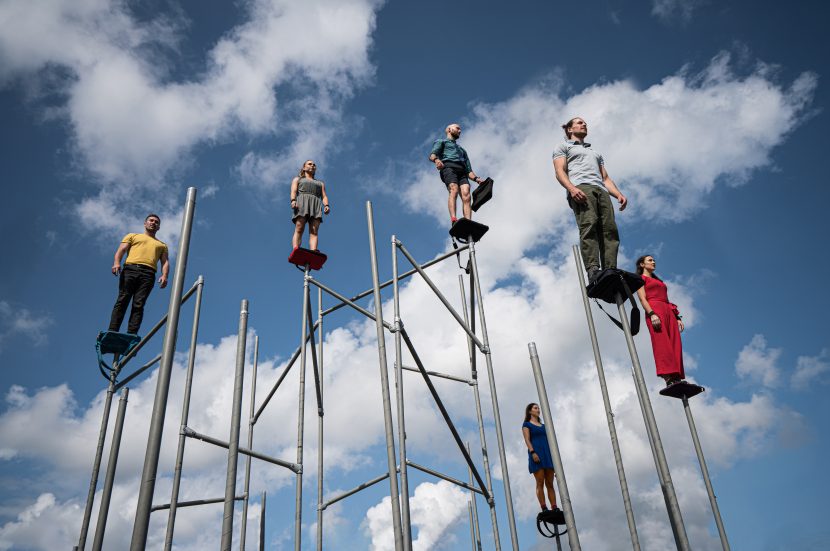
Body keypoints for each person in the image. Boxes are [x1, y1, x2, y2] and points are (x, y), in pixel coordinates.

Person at [553, 117, 627, 282]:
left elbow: (605, 178)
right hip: (582, 187)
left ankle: (610, 268)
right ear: (570, 129)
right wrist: (572, 189)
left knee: (610, 230)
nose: (584, 124)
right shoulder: (563, 146)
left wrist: (618, 194)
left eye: (585, 123)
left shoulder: (595, 153)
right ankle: (593, 269)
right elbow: (559, 171)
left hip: (601, 190)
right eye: (579, 122)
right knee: (589, 225)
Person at [108, 214, 169, 335]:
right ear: (145, 223)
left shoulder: (162, 245)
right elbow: (121, 250)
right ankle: (113, 330)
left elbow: (165, 261)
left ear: (158, 227)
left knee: (139, 304)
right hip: (130, 269)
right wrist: (116, 263)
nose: (153, 223)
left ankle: (131, 333)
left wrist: (165, 276)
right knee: (123, 299)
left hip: (148, 273)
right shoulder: (133, 236)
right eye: (151, 220)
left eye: (156, 222)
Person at [635, 255, 686, 386]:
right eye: (650, 260)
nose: (653, 262)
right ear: (642, 264)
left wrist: (677, 317)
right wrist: (652, 314)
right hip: (654, 310)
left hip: (668, 311)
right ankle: (668, 376)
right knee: (661, 342)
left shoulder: (660, 282)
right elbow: (642, 299)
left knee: (675, 342)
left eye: (654, 260)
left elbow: (667, 300)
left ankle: (677, 376)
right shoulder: (640, 279)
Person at [428, 123, 485, 223]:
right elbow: (432, 155)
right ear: (449, 129)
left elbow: (469, 171)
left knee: (466, 193)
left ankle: (468, 222)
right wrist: (437, 160)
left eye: (460, 129)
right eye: (457, 128)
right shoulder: (442, 142)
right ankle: (454, 219)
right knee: (453, 188)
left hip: (462, 171)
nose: (460, 131)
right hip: (448, 167)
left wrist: (476, 179)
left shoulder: (462, 150)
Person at [521, 403, 558, 512]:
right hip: (536, 454)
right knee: (540, 482)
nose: (538, 410)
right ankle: (544, 507)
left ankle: (554, 506)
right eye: (535, 408)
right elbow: (527, 439)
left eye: (538, 408)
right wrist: (533, 452)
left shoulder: (544, 426)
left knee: (550, 483)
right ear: (530, 411)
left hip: (547, 455)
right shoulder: (526, 425)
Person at [290, 160, 330, 250]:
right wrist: (293, 200)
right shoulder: (298, 179)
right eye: (310, 164)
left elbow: (324, 196)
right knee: (299, 227)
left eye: (314, 164)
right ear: (304, 168)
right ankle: (296, 249)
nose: (312, 165)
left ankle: (313, 251)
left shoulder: (320, 183)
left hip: (315, 205)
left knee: (314, 231)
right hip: (302, 203)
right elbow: (293, 191)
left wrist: (327, 205)